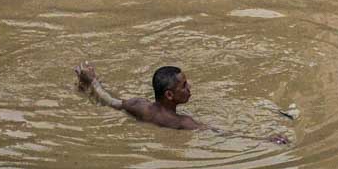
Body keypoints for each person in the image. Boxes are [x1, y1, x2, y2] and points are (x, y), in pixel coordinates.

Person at [74, 62, 289, 144]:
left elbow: (109, 101)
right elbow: (221, 133)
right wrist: (264, 138)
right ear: (169, 95)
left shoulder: (138, 105)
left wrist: (93, 82)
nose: (189, 88)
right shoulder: (182, 123)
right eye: (184, 85)